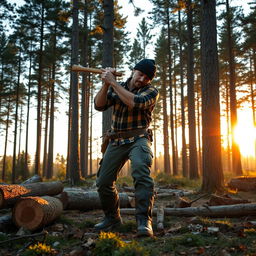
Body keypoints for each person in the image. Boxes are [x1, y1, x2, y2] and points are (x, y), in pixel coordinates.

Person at [94, 59, 159, 237]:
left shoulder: (151, 91)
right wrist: (106, 84)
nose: (142, 79)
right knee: (103, 182)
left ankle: (144, 221)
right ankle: (112, 219)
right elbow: (99, 105)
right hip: (116, 140)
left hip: (139, 138)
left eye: (146, 77)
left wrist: (113, 83)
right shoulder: (117, 86)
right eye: (140, 74)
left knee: (140, 170)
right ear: (134, 70)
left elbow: (135, 102)